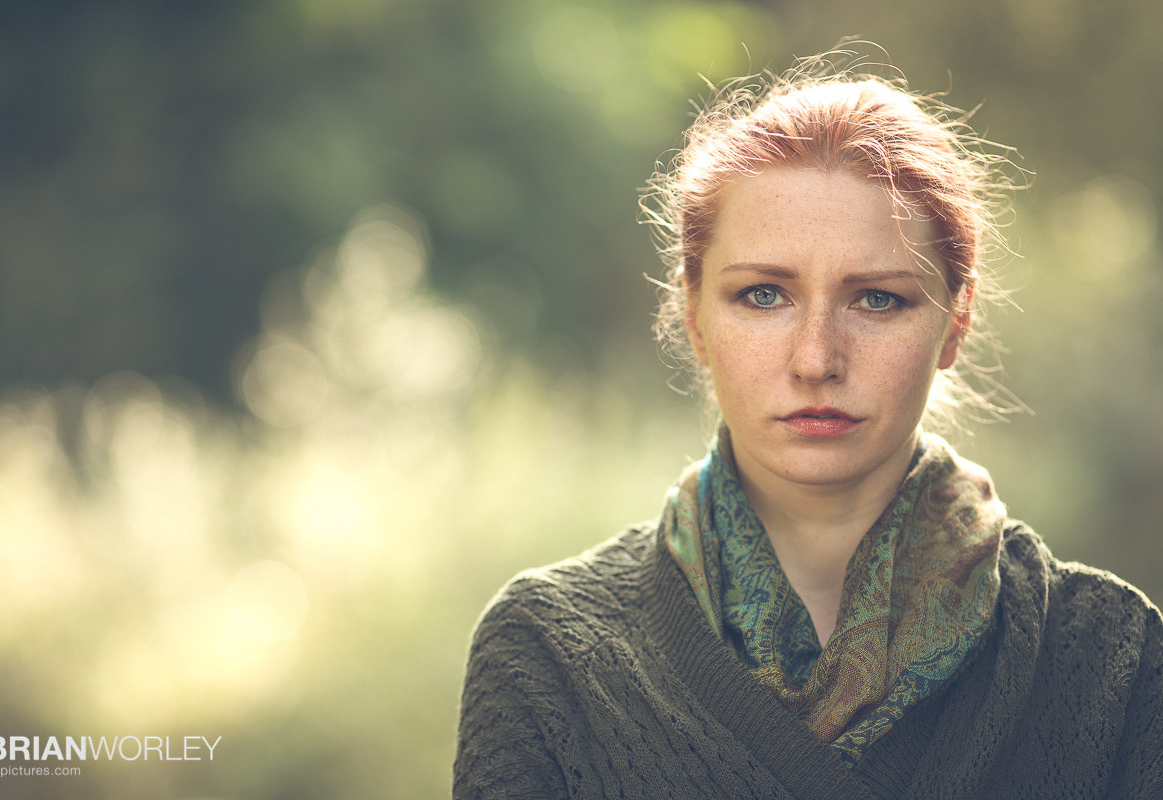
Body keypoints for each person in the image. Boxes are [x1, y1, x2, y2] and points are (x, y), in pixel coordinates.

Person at [453, 51, 1163, 799]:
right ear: (693, 315)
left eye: (877, 300)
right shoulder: (548, 658)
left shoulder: (1108, 658)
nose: (817, 358)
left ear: (956, 322)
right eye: (764, 295)